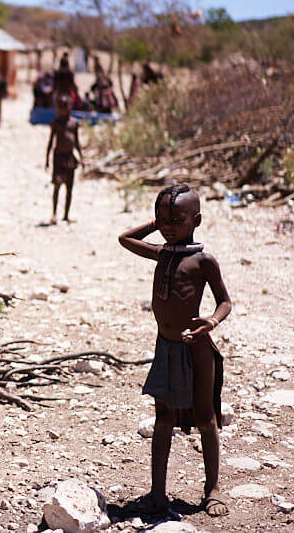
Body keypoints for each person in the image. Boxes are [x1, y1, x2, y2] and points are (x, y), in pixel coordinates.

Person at [117, 184, 232, 518]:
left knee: (205, 417)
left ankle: (213, 490)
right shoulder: (163, 253)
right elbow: (125, 239)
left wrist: (211, 321)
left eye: (176, 220)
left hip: (196, 349)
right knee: (163, 418)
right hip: (166, 347)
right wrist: (156, 222)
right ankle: (157, 492)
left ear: (196, 220)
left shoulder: (203, 260)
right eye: (163, 219)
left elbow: (225, 301)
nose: (168, 226)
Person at [45, 94, 84, 223]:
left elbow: (77, 142)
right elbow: (51, 142)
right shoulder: (56, 123)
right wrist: (47, 159)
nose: (61, 110)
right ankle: (54, 214)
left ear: (69, 108)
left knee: (69, 187)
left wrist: (82, 157)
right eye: (59, 107)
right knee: (57, 185)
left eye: (64, 107)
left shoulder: (73, 123)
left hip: (69, 158)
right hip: (58, 157)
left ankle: (66, 215)